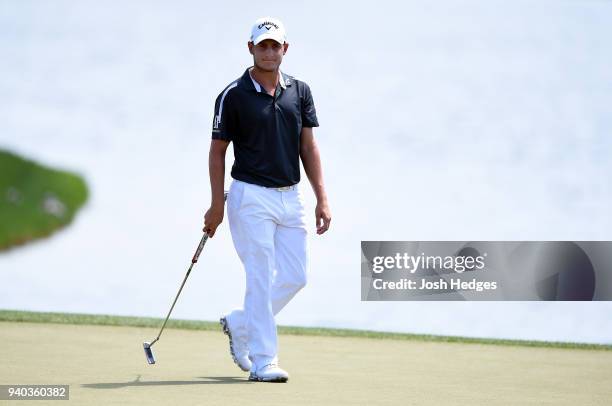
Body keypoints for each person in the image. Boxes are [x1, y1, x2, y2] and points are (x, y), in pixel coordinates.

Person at [203, 17, 331, 383]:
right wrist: (215, 205)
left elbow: (308, 147)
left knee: (296, 276)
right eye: (263, 45)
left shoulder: (300, 91)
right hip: (250, 198)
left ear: (285, 49)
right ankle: (263, 361)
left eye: (276, 45)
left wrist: (323, 198)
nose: (270, 51)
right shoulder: (233, 95)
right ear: (251, 49)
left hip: (292, 198)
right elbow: (217, 154)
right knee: (259, 277)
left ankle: (241, 322)